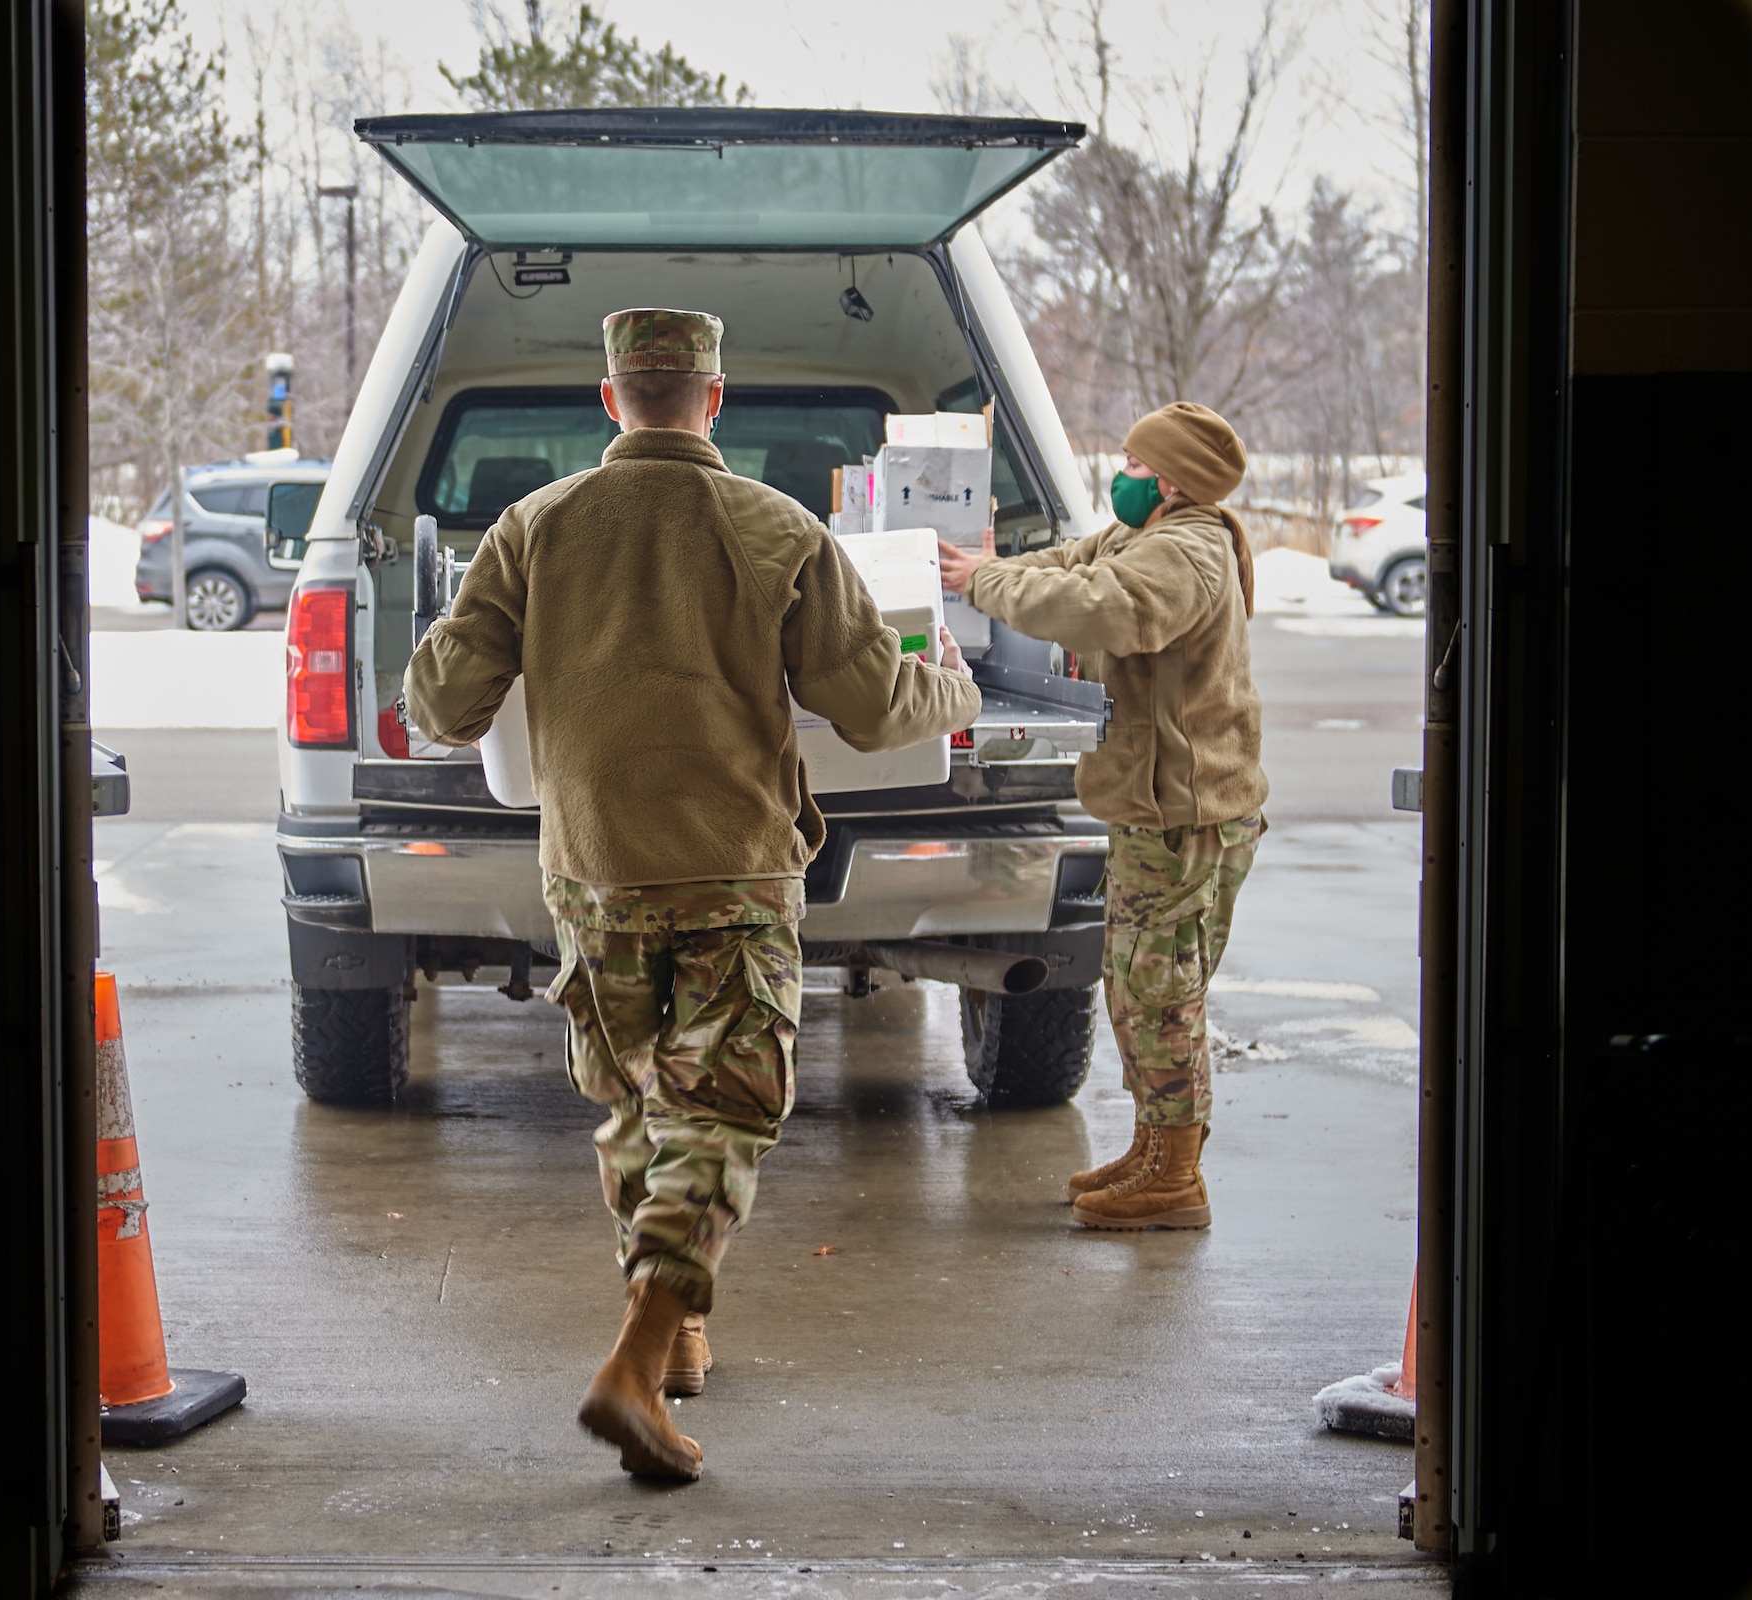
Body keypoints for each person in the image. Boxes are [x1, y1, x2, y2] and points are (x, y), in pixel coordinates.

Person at [405, 307, 980, 1480]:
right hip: (734, 869)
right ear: (714, 401)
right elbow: (873, 708)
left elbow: (440, 706)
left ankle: (675, 1325)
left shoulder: (533, 527)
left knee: (632, 1106)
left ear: (609, 399)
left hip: (593, 870)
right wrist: (950, 688)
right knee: (721, 1111)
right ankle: (637, 1351)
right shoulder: (779, 531)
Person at [938, 401, 1267, 1232]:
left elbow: (1101, 608)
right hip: (1152, 808)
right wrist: (982, 563)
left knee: (1161, 995)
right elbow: (1070, 561)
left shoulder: (1188, 551)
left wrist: (979, 583)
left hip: (1186, 817)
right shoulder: (1143, 534)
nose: (1118, 474)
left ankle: (1177, 1178)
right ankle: (1155, 1150)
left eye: (1131, 462)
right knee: (1133, 985)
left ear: (1172, 480)